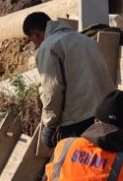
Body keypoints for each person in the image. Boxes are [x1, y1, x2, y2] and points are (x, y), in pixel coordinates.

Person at [22, 11, 114, 152]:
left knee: (71, 165)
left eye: (31, 39)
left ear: (35, 34)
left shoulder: (49, 47)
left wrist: (50, 124)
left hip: (78, 119)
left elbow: (52, 90)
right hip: (104, 112)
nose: (34, 44)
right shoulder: (85, 39)